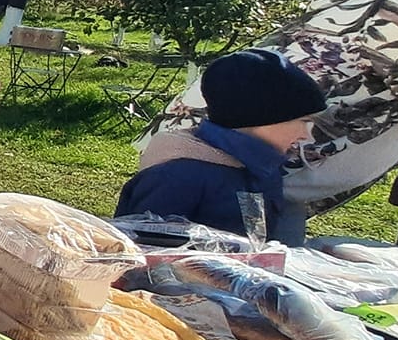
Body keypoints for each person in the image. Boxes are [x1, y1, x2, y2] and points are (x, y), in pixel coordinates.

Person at [116, 48, 324, 244]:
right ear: (261, 118)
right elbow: (143, 254)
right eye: (303, 122)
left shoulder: (259, 168)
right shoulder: (177, 177)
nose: (306, 135)